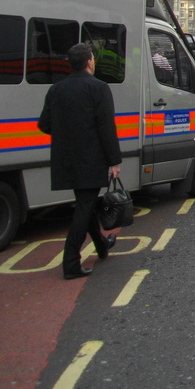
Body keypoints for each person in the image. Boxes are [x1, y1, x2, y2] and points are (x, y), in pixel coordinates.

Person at [37, 43, 121, 280]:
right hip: (91, 160)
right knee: (83, 211)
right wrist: (114, 161)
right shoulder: (99, 88)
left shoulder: (56, 90)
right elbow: (106, 128)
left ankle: (102, 245)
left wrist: (66, 132)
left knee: (87, 204)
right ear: (89, 62)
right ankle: (71, 262)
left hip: (66, 160)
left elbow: (44, 124)